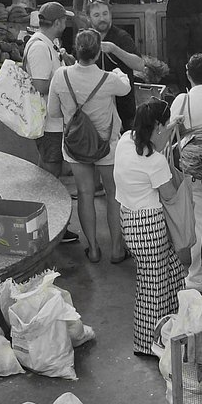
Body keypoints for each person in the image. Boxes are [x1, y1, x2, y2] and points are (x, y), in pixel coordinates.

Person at [47, 27, 129, 264]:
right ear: (96, 53)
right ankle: (116, 249)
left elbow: (53, 112)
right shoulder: (109, 79)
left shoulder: (61, 76)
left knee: (85, 194)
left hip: (75, 146)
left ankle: (93, 249)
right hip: (107, 146)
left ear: (76, 50)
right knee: (113, 194)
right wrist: (118, 72)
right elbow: (125, 87)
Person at [113, 99, 187, 356]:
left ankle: (175, 327)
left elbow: (151, 141)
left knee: (174, 273)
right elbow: (169, 194)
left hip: (129, 221)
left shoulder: (124, 141)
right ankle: (149, 345)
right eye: (164, 125)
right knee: (153, 286)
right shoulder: (154, 161)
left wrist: (170, 125)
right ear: (157, 127)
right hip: (150, 227)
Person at [22, 2, 78, 244]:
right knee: (51, 178)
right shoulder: (38, 49)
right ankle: (53, 228)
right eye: (64, 20)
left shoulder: (49, 45)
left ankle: (45, 226)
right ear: (56, 23)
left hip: (54, 123)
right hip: (49, 125)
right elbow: (41, 85)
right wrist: (65, 77)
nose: (66, 24)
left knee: (48, 173)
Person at [170, 53, 202, 291]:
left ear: (188, 74)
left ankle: (196, 275)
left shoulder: (182, 101)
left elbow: (175, 130)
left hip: (192, 166)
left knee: (198, 219)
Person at [86, 0, 146, 132]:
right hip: (95, 112)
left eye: (105, 14)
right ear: (88, 18)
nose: (102, 18)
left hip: (123, 110)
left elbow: (140, 65)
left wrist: (115, 49)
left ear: (111, 14)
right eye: (96, 15)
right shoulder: (86, 38)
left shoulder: (121, 37)